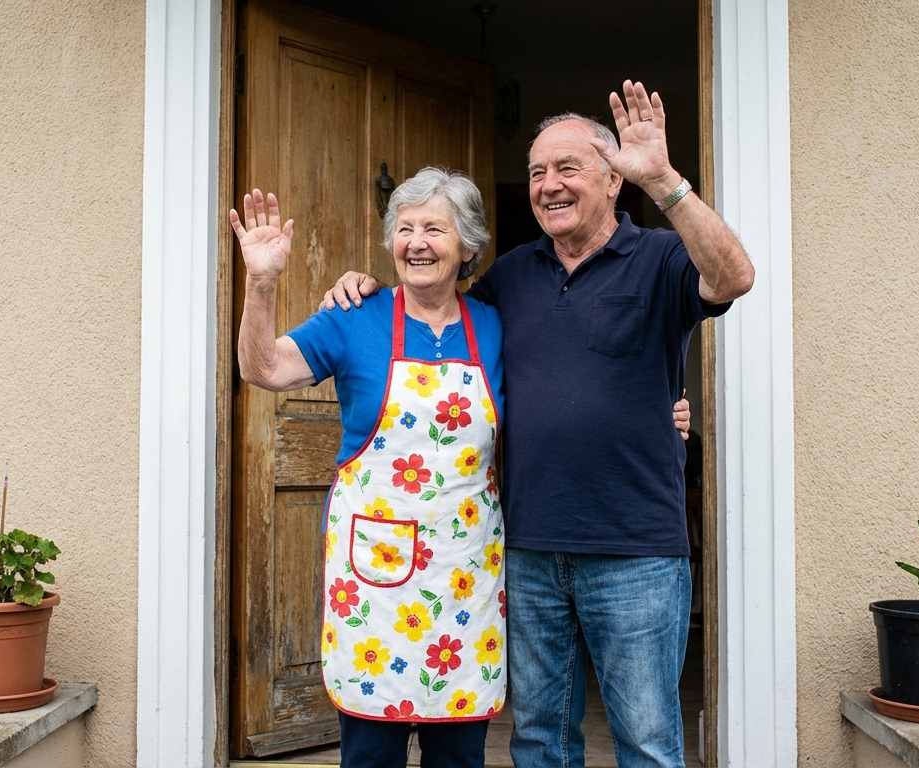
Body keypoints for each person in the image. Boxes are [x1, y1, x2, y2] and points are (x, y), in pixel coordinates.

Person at [320, 81, 754, 768]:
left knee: (647, 743)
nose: (548, 185)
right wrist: (367, 288)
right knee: (539, 743)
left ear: (613, 180)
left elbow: (733, 278)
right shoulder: (510, 277)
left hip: (636, 551)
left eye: (567, 169)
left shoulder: (663, 259)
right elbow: (436, 311)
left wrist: (666, 180)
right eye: (536, 173)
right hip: (524, 552)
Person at [234, 169, 506, 768]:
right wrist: (262, 283)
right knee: (370, 757)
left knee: (459, 758)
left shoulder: (495, 322)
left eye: (435, 228)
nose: (416, 242)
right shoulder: (355, 316)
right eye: (404, 228)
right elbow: (263, 368)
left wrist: (662, 407)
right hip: (376, 591)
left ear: (467, 247)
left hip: (464, 582)